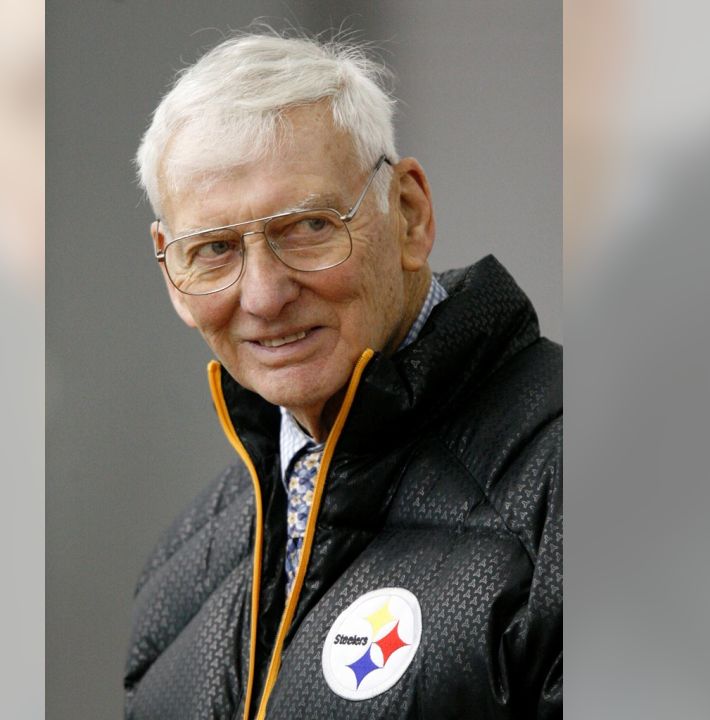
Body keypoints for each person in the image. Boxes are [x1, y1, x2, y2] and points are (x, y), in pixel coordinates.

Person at [124, 32, 562, 719]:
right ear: (172, 273)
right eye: (213, 249)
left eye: (306, 227)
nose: (265, 296)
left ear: (409, 215)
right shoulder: (182, 570)